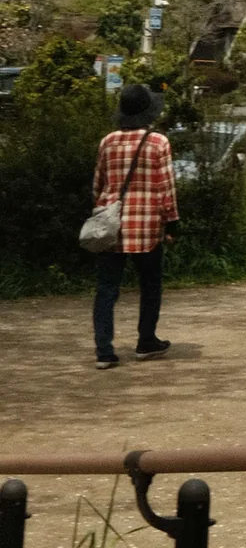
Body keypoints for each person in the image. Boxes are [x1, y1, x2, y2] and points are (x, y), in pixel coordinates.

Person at [90, 81, 177, 369]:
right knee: (150, 285)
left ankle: (104, 350)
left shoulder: (107, 142)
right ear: (147, 111)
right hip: (146, 227)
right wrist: (172, 222)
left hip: (111, 227)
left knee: (106, 289)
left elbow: (98, 186)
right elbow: (166, 188)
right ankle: (146, 341)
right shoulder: (158, 142)